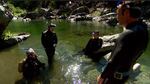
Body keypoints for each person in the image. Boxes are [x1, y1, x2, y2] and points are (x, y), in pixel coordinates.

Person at [98, 2, 149, 84]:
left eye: (118, 14)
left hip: (113, 78)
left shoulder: (127, 35)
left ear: (126, 13)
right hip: (125, 75)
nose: (117, 17)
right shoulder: (143, 30)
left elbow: (113, 62)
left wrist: (102, 78)